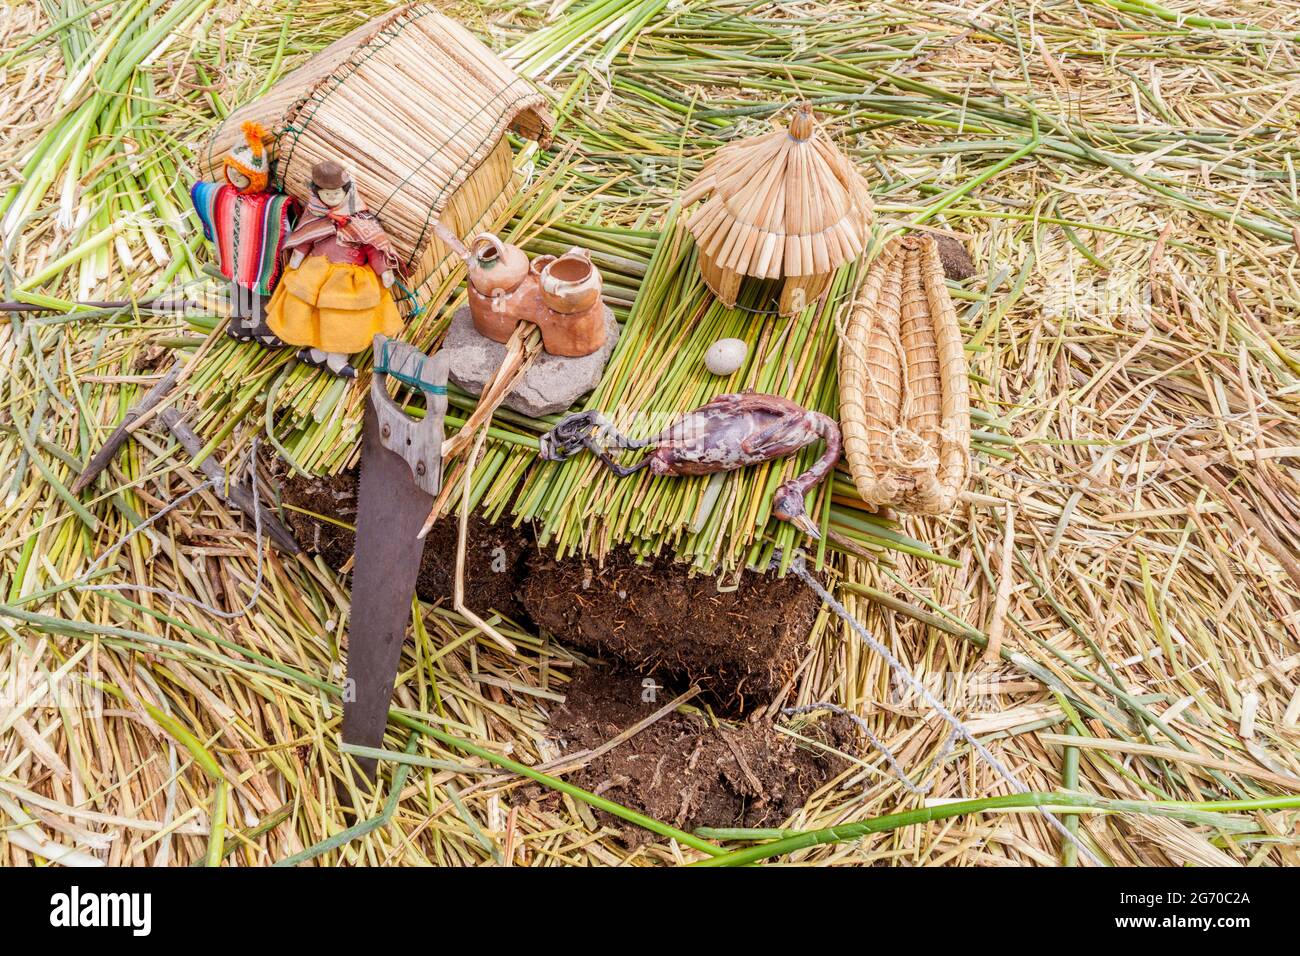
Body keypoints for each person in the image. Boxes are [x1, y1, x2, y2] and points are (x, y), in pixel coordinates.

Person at [264, 160, 403, 378]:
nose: (331, 198)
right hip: (317, 270)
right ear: (316, 192)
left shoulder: (360, 218)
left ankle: (337, 358)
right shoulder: (314, 214)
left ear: (347, 190)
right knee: (314, 314)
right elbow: (306, 237)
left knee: (342, 319)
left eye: (336, 193)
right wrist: (298, 256)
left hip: (349, 277)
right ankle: (318, 352)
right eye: (326, 194)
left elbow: (373, 247)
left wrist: (384, 270)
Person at [190, 121, 295, 344]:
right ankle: (239, 325)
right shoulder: (222, 195)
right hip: (235, 260)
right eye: (232, 172)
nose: (236, 179)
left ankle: (263, 328)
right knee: (239, 293)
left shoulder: (268, 206)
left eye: (243, 176)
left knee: (260, 294)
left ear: (257, 179)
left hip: (259, 263)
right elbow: (201, 192)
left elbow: (280, 222)